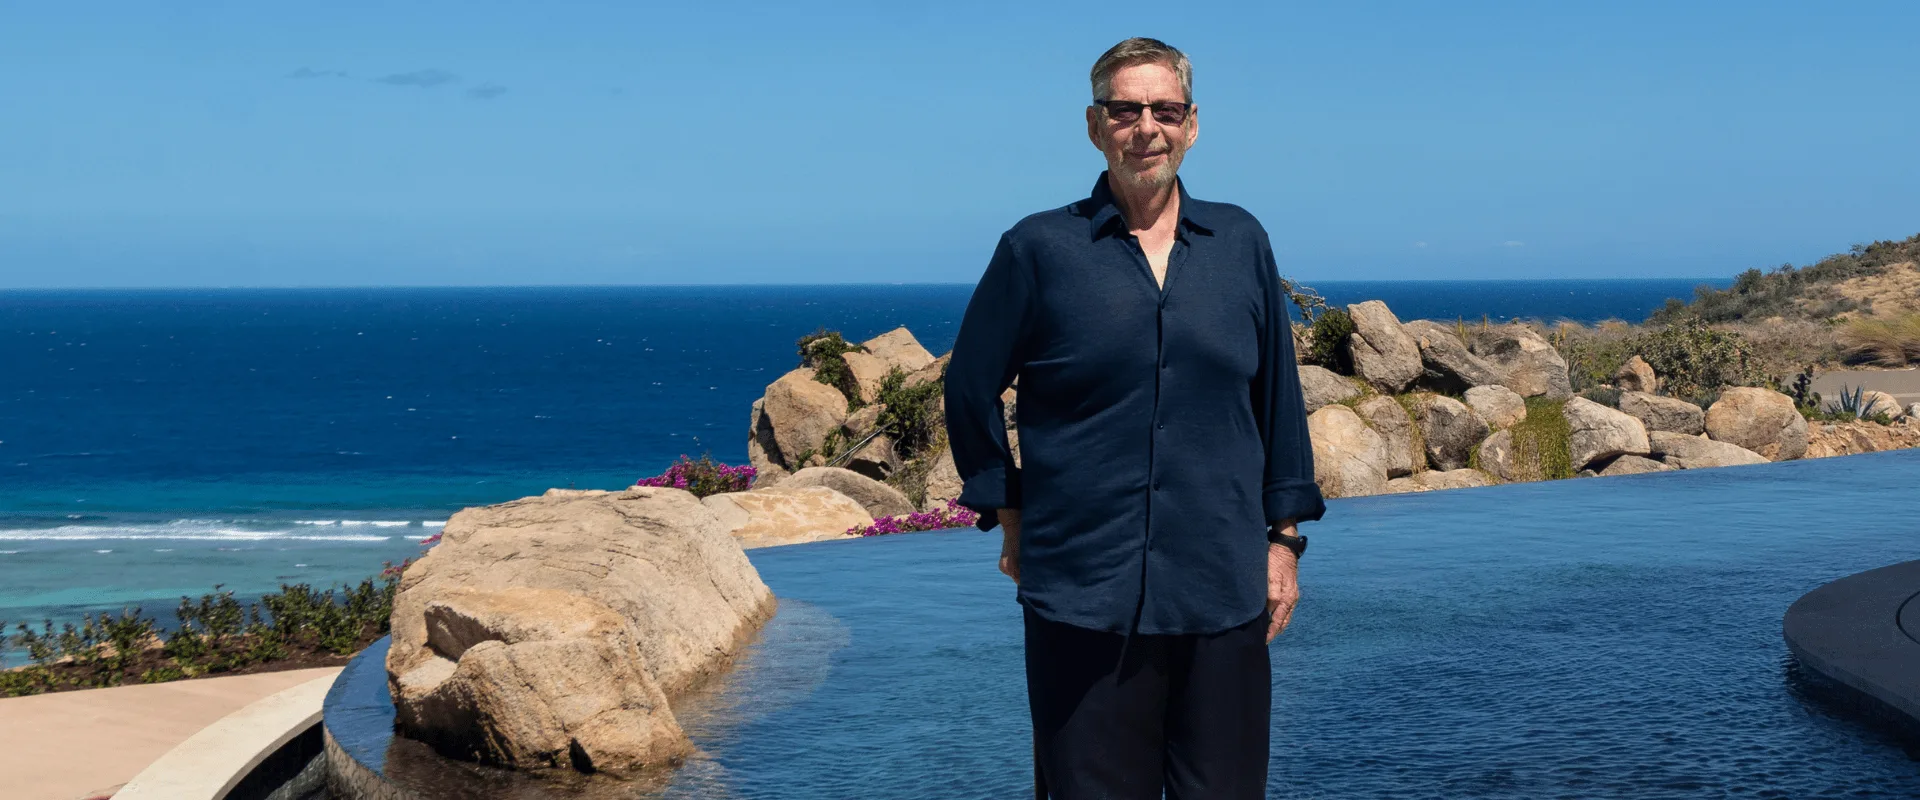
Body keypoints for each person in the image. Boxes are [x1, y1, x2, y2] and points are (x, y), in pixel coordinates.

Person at [943, 37, 1327, 799]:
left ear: (1191, 125)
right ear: (1095, 125)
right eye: (1126, 109)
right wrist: (1010, 510)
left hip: (1220, 588)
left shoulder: (1240, 242)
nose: (1145, 126)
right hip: (1082, 592)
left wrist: (1283, 541)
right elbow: (970, 388)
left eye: (1165, 109)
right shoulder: (1037, 249)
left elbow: (1278, 399)